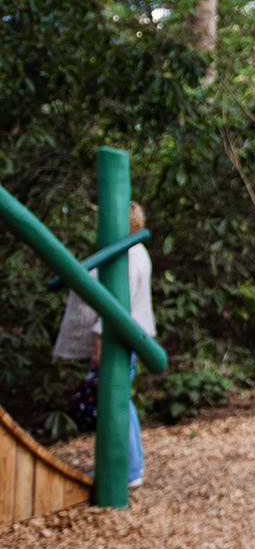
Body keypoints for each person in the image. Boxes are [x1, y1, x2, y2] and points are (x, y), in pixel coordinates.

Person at [52, 201, 152, 487]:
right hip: (117, 336)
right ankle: (127, 465)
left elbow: (119, 305)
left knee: (116, 397)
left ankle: (128, 469)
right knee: (117, 397)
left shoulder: (129, 255)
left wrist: (99, 342)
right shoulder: (129, 251)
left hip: (115, 339)